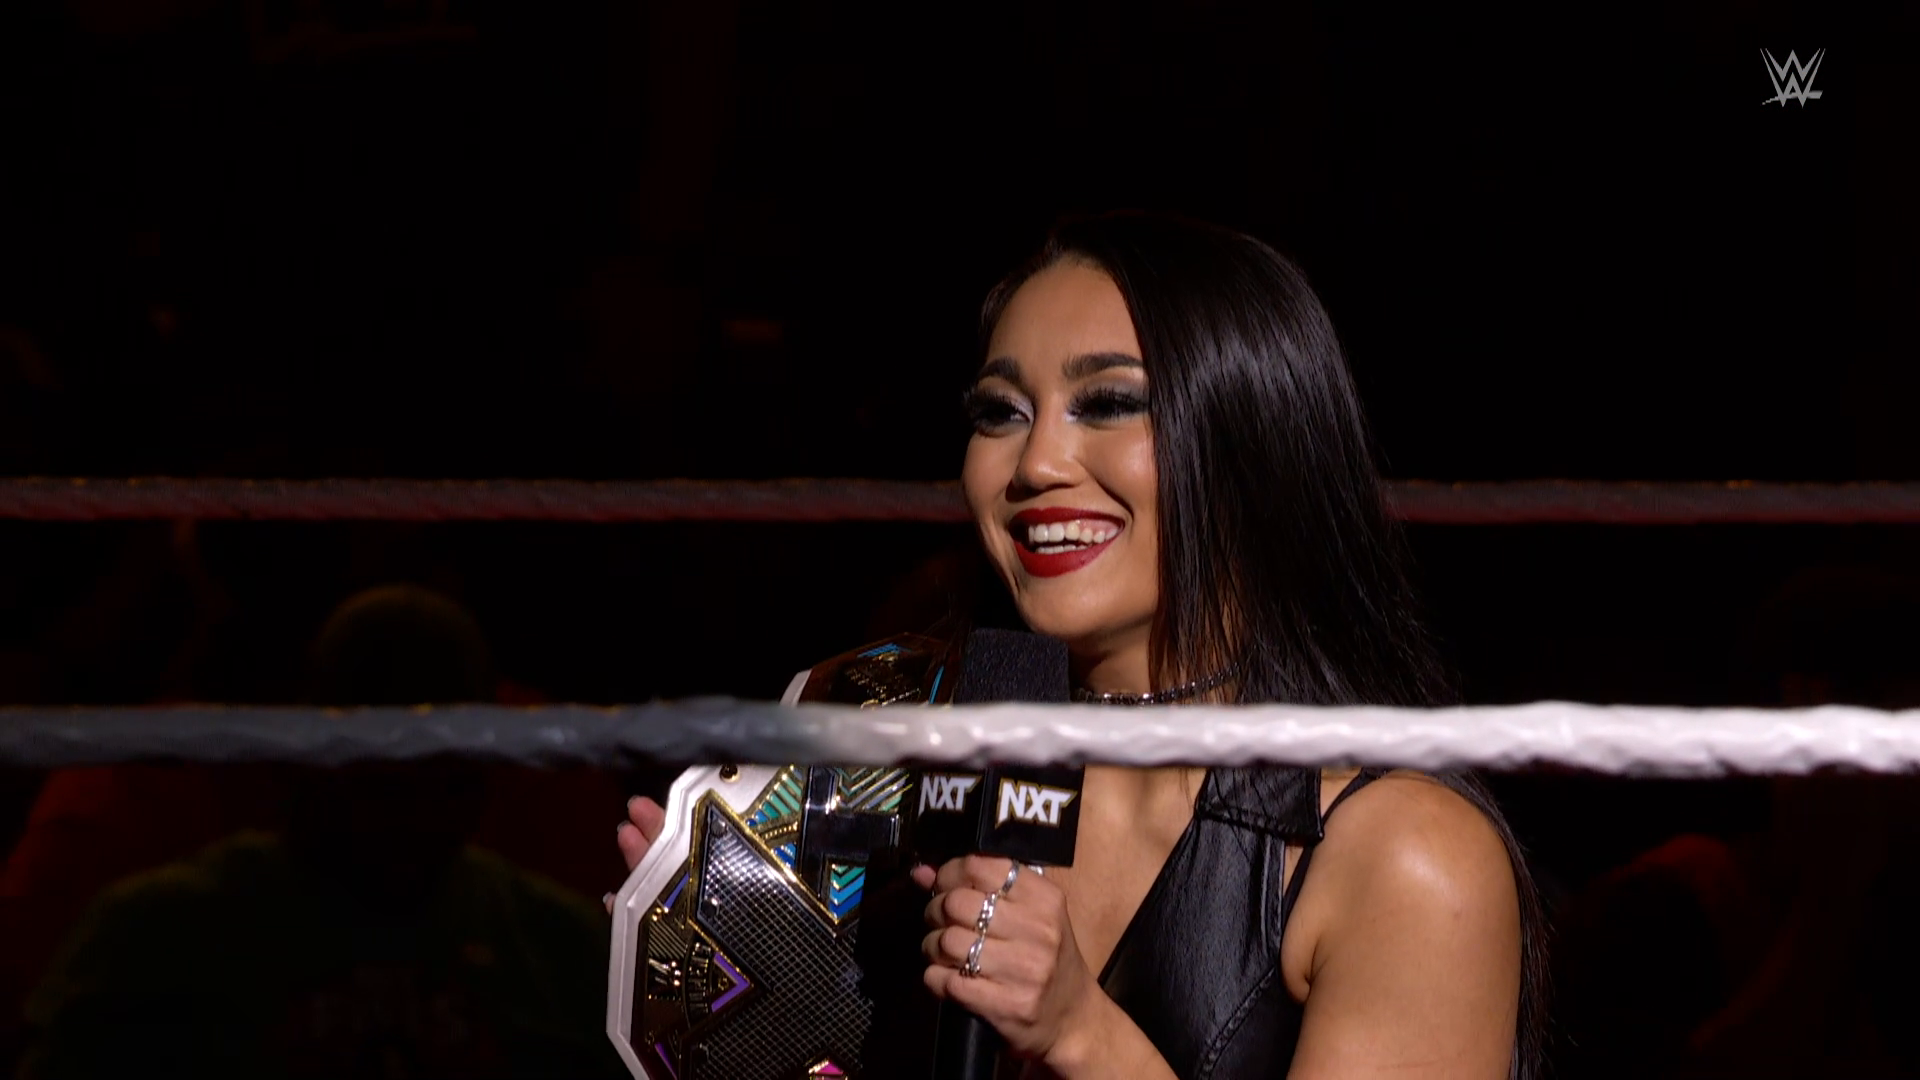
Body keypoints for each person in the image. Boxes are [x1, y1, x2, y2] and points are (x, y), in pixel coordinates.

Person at [617, 212, 1547, 1078]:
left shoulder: (1409, 857)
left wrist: (1081, 1034)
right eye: (1001, 412)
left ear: (1255, 441)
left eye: (1107, 403)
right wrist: (738, 1022)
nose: (1036, 466)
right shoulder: (879, 730)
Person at [17, 584, 626, 1079]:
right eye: (382, 781)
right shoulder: (152, 940)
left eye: (442, 779)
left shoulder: (566, 955)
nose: (410, 816)